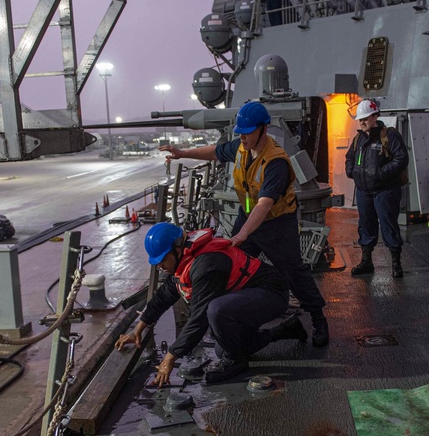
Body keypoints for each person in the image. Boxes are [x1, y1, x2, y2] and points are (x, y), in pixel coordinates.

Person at [160, 101, 330, 347]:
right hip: (246, 217)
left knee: (294, 271)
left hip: (276, 224)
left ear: (263, 129)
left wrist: (242, 234)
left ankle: (318, 319)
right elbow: (215, 152)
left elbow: (264, 205)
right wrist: (182, 153)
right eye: (240, 131)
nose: (242, 136)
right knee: (229, 264)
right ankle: (232, 319)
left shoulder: (276, 162)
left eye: (247, 131)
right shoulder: (241, 148)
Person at [116, 223, 305, 385]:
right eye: (156, 263)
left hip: (271, 294)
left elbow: (199, 318)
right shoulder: (184, 262)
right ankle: (284, 330)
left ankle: (236, 362)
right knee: (223, 347)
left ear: (178, 249)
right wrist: (138, 329)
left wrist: (170, 357)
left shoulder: (206, 264)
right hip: (247, 297)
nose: (160, 266)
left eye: (163, 260)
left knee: (216, 311)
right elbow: (163, 296)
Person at [344, 98, 409, 278]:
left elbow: (401, 159)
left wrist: (380, 174)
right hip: (364, 191)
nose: (362, 122)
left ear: (375, 117)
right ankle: (366, 261)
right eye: (360, 119)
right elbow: (350, 157)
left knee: (389, 225)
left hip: (385, 190)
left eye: (365, 118)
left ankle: (396, 263)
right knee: (366, 225)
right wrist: (352, 172)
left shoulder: (389, 135)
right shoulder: (359, 138)